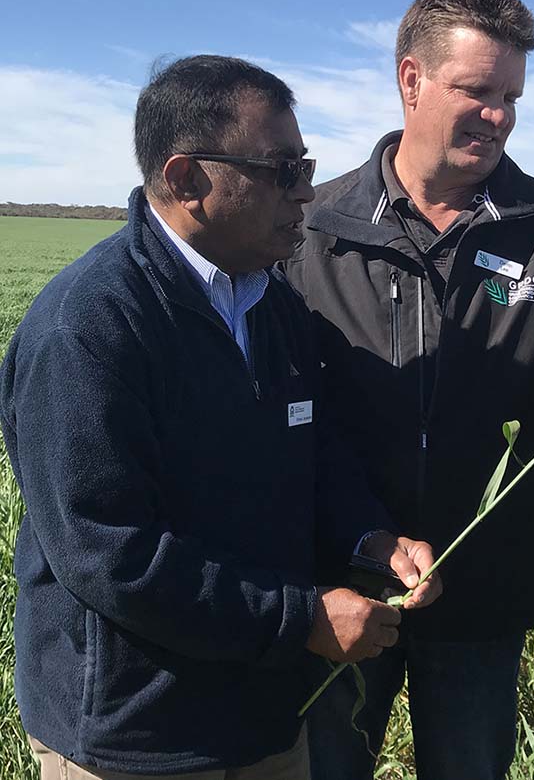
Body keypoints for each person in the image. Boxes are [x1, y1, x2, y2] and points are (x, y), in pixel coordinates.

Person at [0, 54, 442, 780]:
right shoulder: (89, 328)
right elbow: (109, 552)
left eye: (304, 165)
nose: (304, 193)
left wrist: (372, 537)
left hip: (265, 712)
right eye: (279, 169)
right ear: (187, 180)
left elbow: (315, 448)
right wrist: (298, 620)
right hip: (139, 731)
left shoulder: (273, 305)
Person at [281, 0, 534, 780]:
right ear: (411, 81)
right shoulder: (318, 227)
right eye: (477, 91)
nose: (499, 116)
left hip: (485, 577)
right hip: (342, 582)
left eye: (511, 97)